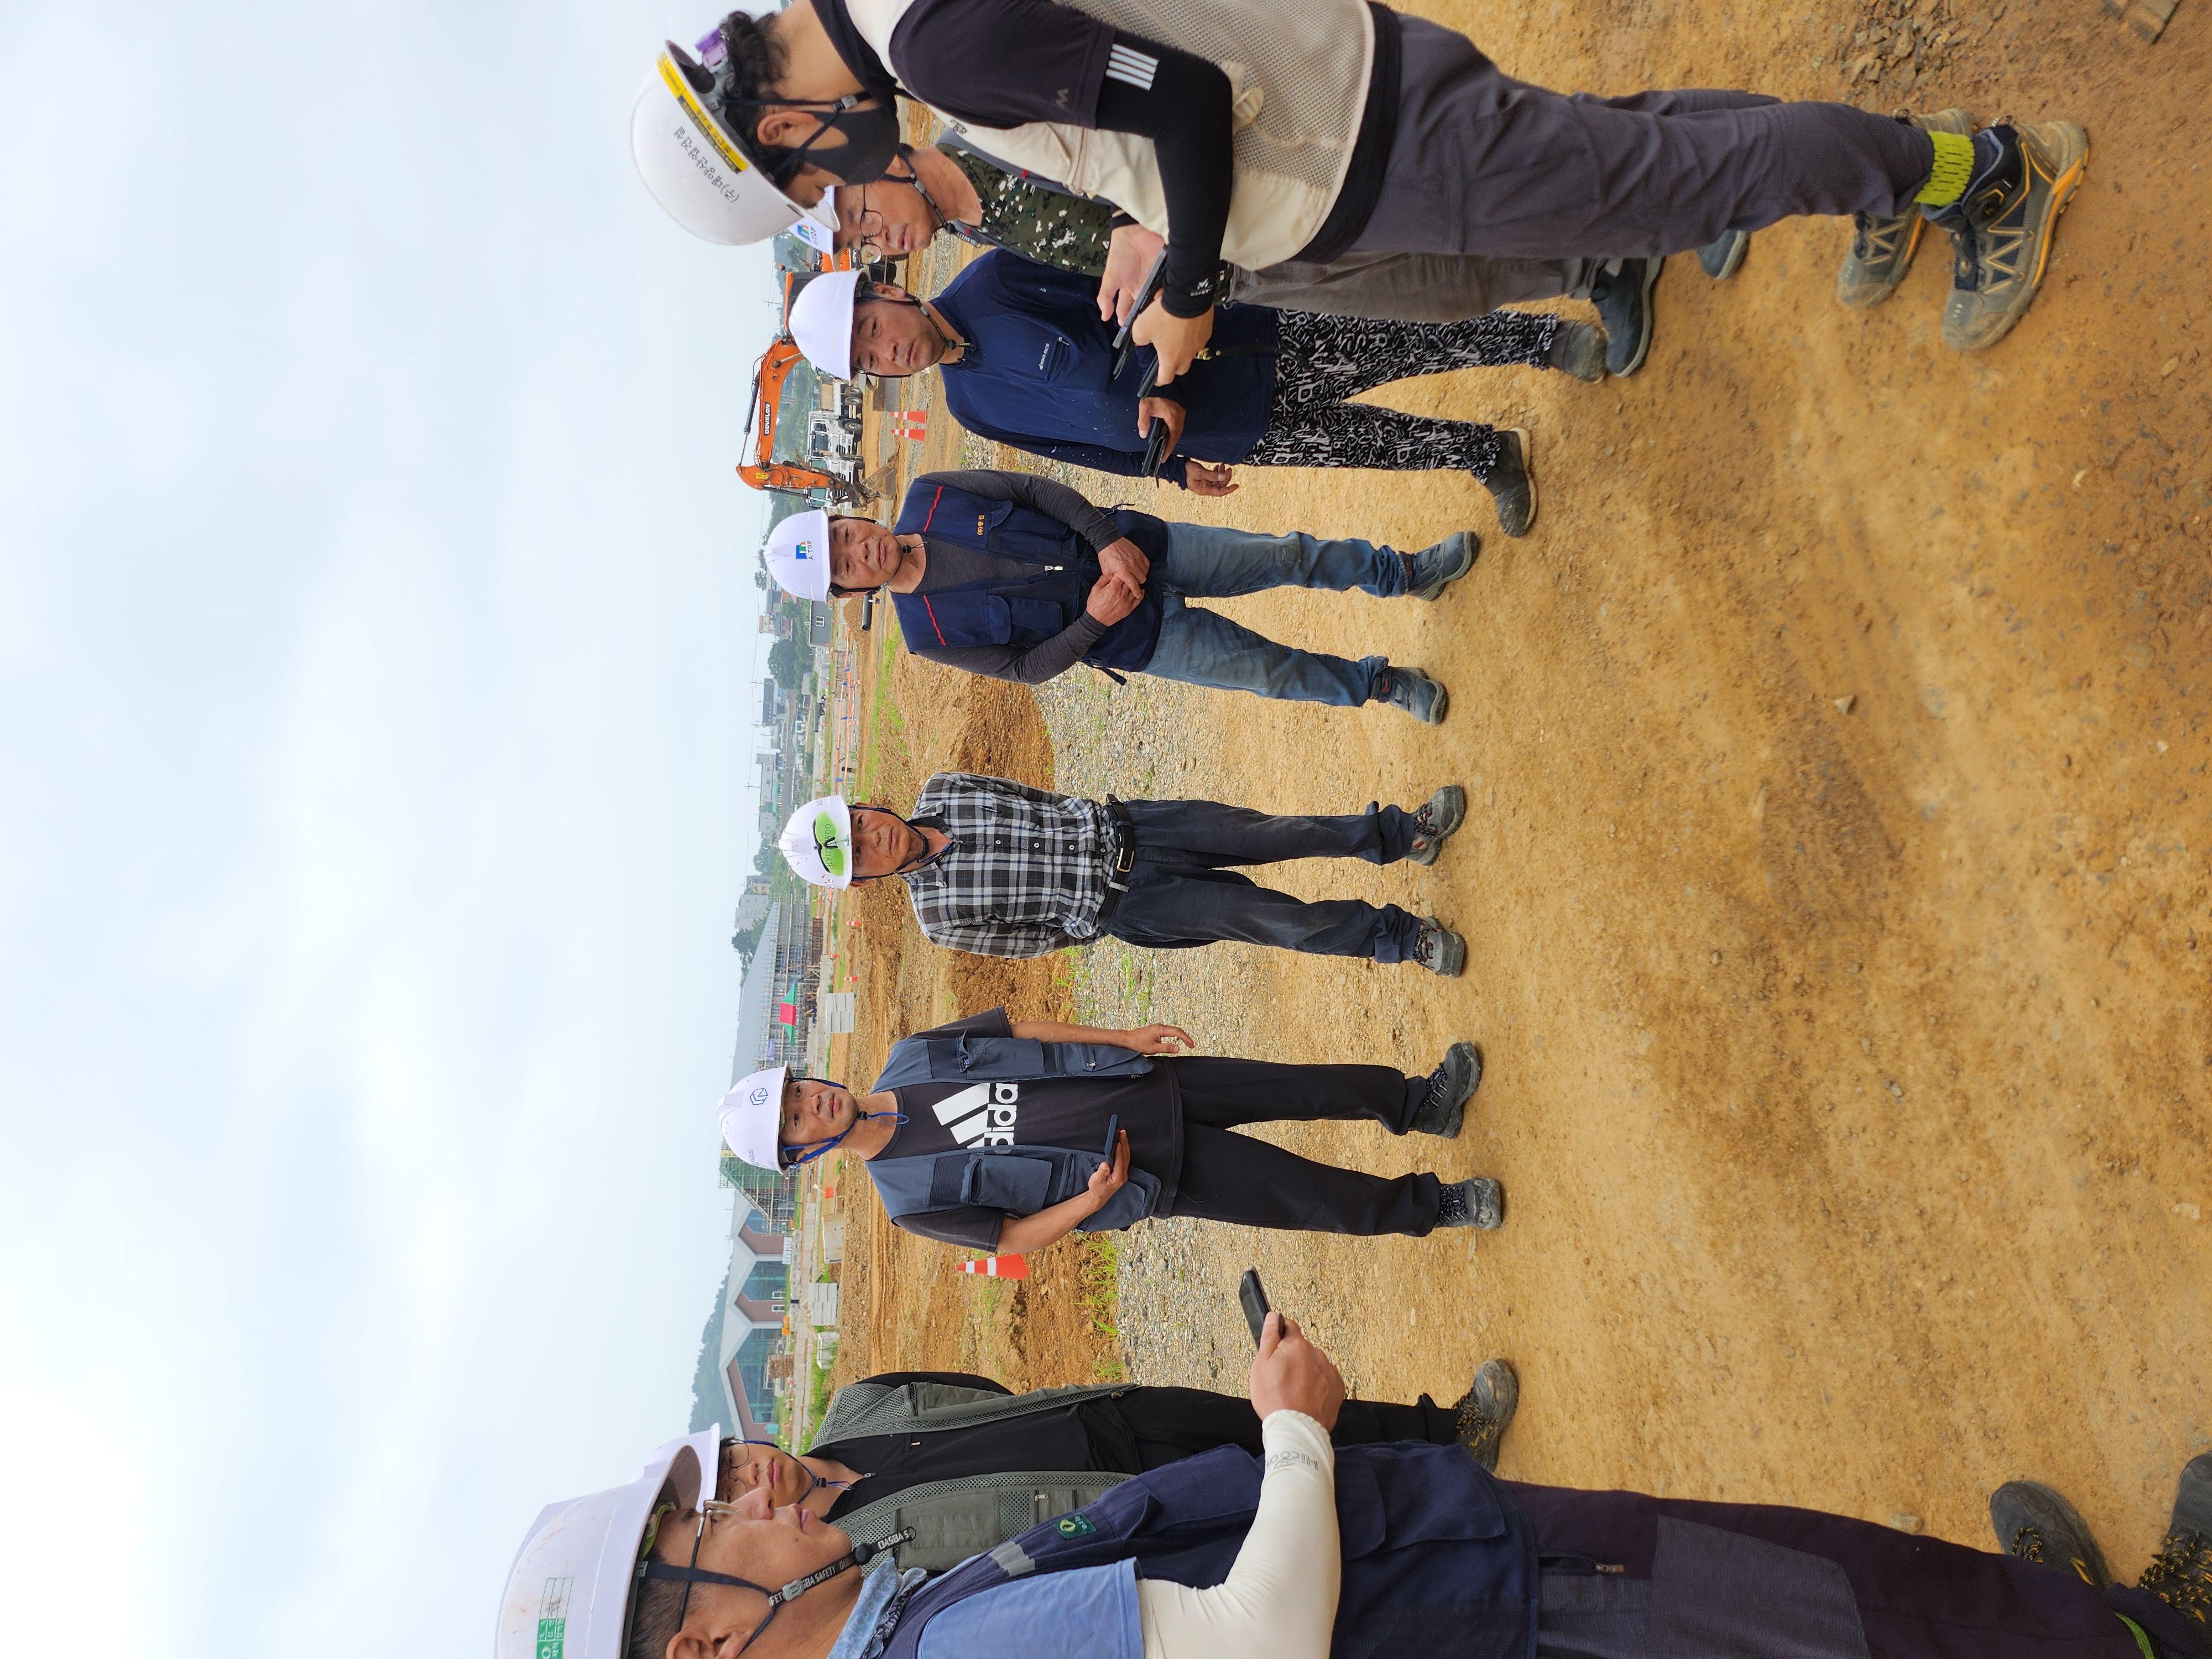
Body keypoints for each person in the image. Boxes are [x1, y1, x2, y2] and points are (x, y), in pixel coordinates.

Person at [497, 1324, 2212, 1659]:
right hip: (1502, 1608)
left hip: (1463, 1593)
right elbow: (1260, 1636)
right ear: (702, 1643)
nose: (744, 1502)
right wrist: (1298, 1432)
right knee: (1847, 1612)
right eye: (704, 1532)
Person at [667, 3, 2086, 356]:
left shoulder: (933, 45)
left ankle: (1977, 175)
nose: (843, 184)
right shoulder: (908, 14)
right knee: (1646, 148)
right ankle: (1901, 170)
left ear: (784, 122)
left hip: (1362, 143)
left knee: (1674, 183)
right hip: (1349, 82)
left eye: (812, 182)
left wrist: (1190, 285)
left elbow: (1184, 102)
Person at [787, 253, 1548, 535]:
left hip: (1247, 348)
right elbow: (1083, 449)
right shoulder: (968, 406)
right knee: (1369, 446)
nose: (887, 351)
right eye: (869, 360)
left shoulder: (994, 282)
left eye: (872, 328)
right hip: (1226, 433)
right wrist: (1171, 470)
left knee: (1404, 343)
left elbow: (1131, 282)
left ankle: (1539, 339)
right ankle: (1484, 453)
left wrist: (1158, 379)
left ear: (888, 292)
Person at [825, 140, 1648, 375]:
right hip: (1235, 273)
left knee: (1447, 200)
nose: (879, 239)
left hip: (1250, 202)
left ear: (887, 158)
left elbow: (1132, 121)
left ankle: (1649, 197)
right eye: (863, 240)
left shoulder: (990, 136)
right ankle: (1592, 269)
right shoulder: (967, 229)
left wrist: (1138, 225)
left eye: (864, 213)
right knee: (1427, 288)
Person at [716, 1014, 1501, 1245]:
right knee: (1304, 1196)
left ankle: (1419, 1104)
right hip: (1146, 1172)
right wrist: (1095, 1200)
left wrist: (1122, 1039)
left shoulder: (910, 1056)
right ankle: (1437, 1207)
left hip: (1141, 1083)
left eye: (798, 1090)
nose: (812, 1102)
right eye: (795, 1120)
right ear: (802, 1155)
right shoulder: (904, 1197)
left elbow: (1019, 1032)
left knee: (1300, 1085)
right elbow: (1011, 1238)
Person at [762, 473, 1472, 719]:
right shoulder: (928, 634)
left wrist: (1105, 541)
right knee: (1269, 672)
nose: (862, 549)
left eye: (847, 534)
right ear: (847, 590)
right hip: (1139, 636)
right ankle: (1379, 684)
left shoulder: (932, 495)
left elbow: (1033, 492)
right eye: (846, 564)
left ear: (849, 517)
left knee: (1285, 554)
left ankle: (1402, 573)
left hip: (1144, 547)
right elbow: (1024, 669)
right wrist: (1094, 623)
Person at [710, 1360, 1522, 1572]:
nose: (751, 1478)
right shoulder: (843, 1560)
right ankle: (1450, 1512)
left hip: (1108, 1417)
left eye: (735, 1461)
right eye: (733, 1492)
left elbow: (977, 1393)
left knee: (1275, 1421)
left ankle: (1447, 1432)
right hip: (1118, 1507)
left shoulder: (857, 1407)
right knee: (1281, 1504)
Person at [774, 779, 1472, 973]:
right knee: (1278, 922)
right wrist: (1103, 908)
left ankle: (1398, 834)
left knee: (1278, 833)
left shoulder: (945, 788)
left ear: (864, 805)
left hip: (1140, 826)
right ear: (862, 882)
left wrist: (1102, 826)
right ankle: (1399, 938)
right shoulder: (938, 919)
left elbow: (1038, 798)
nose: (873, 838)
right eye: (859, 854)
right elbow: (1037, 942)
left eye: (859, 824)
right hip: (1131, 905)